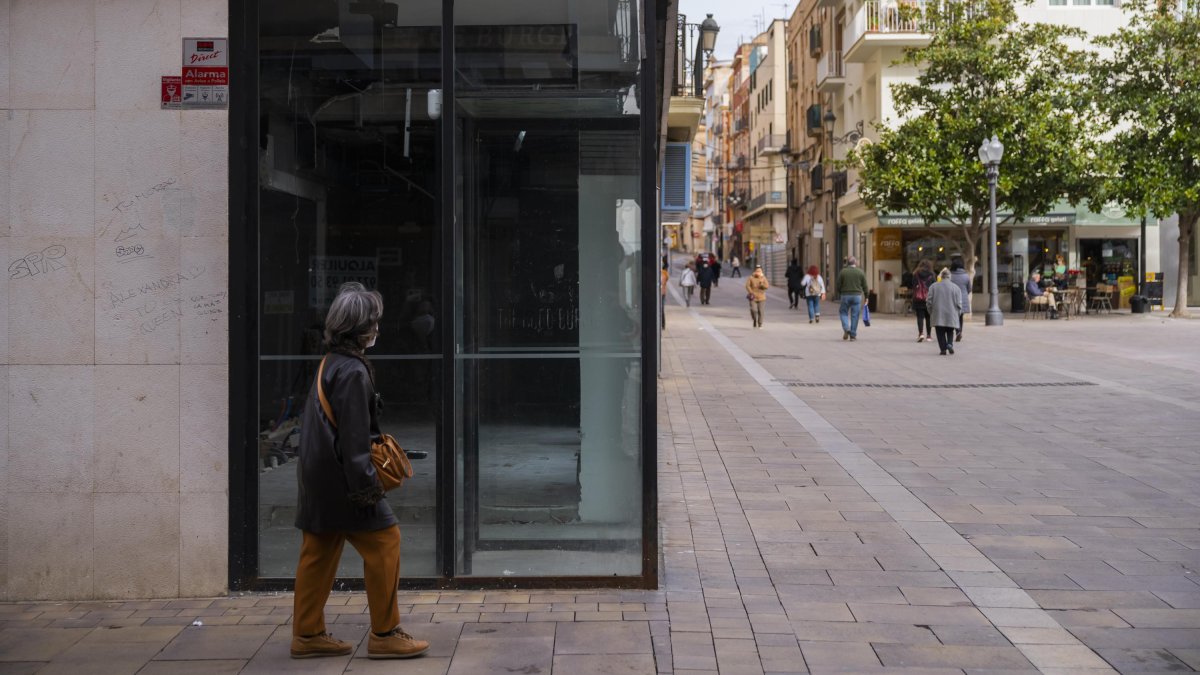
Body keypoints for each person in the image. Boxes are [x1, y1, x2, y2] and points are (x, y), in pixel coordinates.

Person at [292, 282, 430, 660]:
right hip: (345, 481)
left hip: (318, 477)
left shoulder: (331, 363)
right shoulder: (353, 372)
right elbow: (355, 444)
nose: (378, 328)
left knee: (318, 551)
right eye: (374, 321)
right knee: (386, 541)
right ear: (361, 328)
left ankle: (306, 635)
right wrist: (368, 492)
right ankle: (385, 634)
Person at [928, 268, 964, 355]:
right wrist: (957, 314)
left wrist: (931, 312)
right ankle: (950, 344)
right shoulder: (956, 288)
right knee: (950, 330)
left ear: (941, 276)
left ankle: (943, 349)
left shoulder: (933, 287)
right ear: (949, 277)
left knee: (940, 332)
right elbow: (959, 304)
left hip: (938, 313)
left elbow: (929, 302)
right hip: (951, 314)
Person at [837, 256, 868, 341]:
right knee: (855, 315)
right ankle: (853, 335)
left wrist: (840, 292)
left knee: (843, 312)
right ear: (855, 263)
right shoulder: (860, 272)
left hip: (845, 295)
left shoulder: (843, 272)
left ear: (848, 263)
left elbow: (838, 285)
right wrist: (867, 296)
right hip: (857, 296)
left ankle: (846, 329)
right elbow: (865, 286)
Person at [911, 259, 936, 342]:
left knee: (920, 317)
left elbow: (913, 286)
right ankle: (929, 336)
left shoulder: (916, 274)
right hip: (929, 298)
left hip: (918, 298)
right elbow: (934, 287)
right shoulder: (932, 275)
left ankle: (921, 333)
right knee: (928, 317)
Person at [949, 259, 971, 342]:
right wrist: (965, 294)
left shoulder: (950, 276)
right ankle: (960, 331)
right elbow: (969, 289)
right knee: (960, 316)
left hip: (952, 299)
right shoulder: (966, 276)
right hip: (963, 299)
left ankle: (958, 332)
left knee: (954, 317)